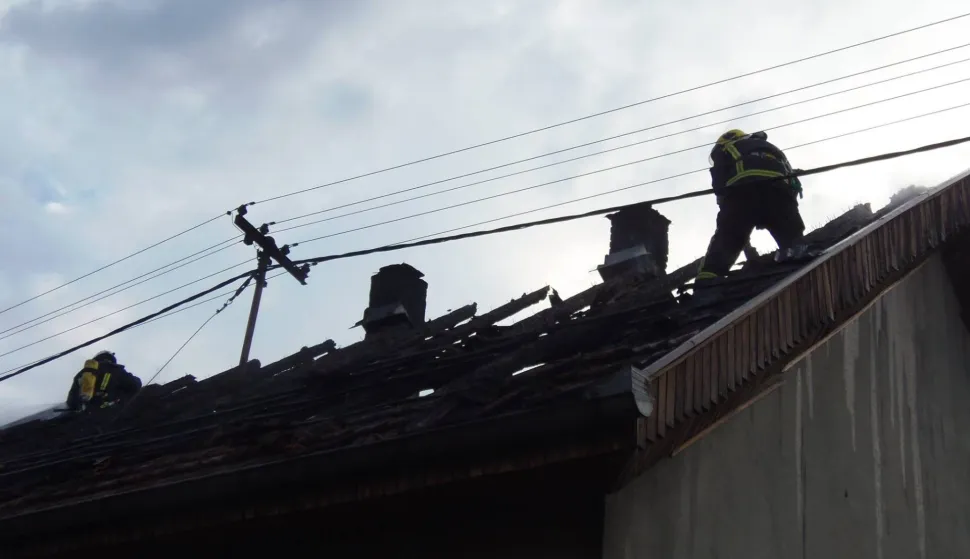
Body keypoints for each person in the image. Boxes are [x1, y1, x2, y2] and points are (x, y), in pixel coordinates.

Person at [696, 129, 806, 281]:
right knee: (790, 233)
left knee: (728, 239)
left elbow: (719, 181)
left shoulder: (725, 149)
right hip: (780, 194)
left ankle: (707, 281)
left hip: (743, 193)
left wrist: (725, 206)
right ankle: (798, 253)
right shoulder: (771, 149)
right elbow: (793, 182)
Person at [66, 350, 142, 412]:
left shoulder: (83, 374)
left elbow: (71, 402)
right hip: (109, 415)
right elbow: (135, 385)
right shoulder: (115, 370)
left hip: (85, 418)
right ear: (112, 359)